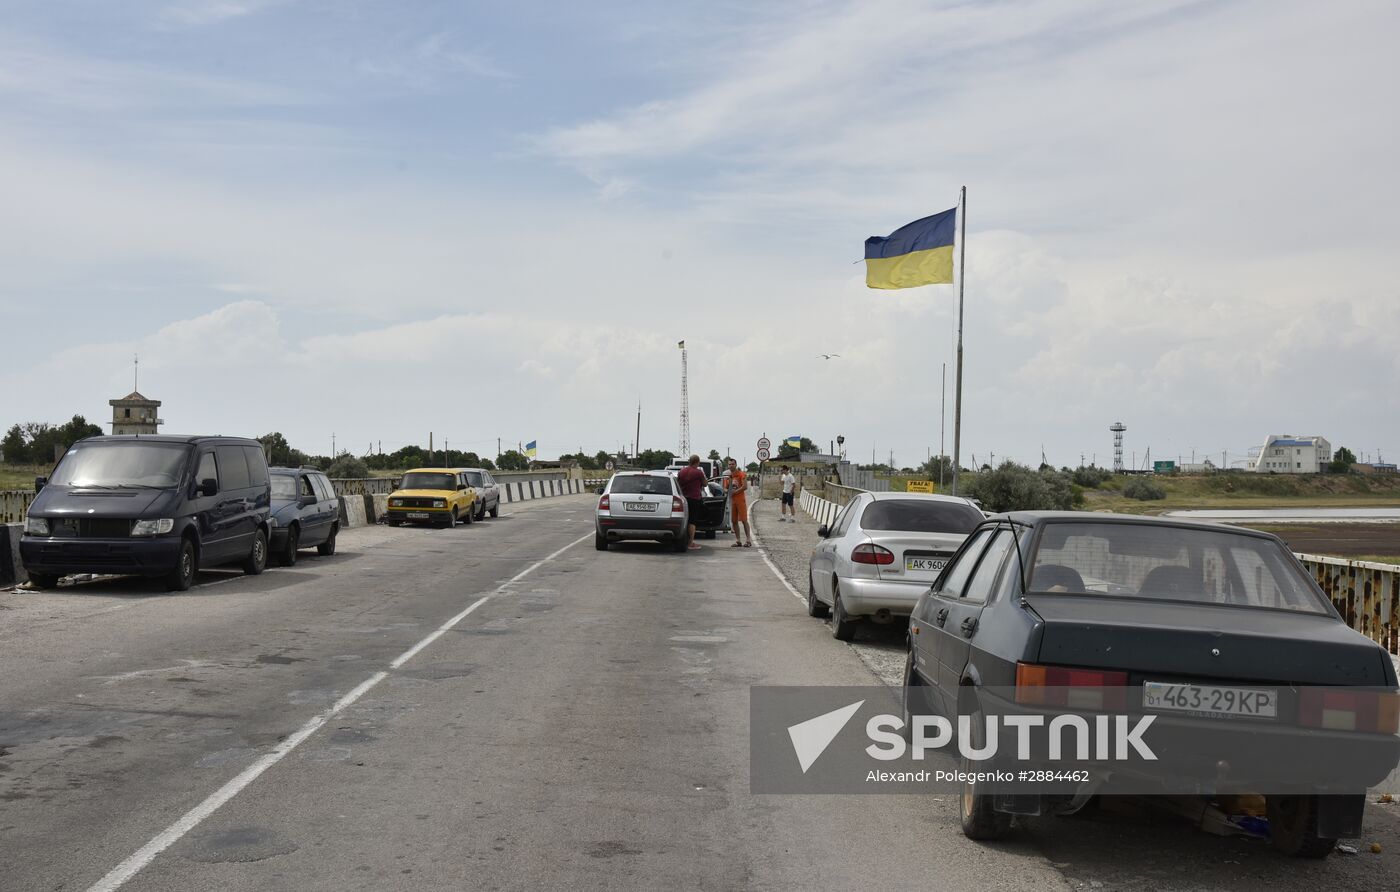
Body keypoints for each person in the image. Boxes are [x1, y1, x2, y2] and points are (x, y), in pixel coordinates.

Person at [676, 454, 708, 550]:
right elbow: (705, 484)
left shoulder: (682, 471)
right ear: (697, 462)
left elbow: (678, 482)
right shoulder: (698, 472)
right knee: (692, 521)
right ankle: (690, 543)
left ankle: (683, 539)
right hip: (694, 499)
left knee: (684, 519)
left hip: (683, 498)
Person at [724, 458, 752, 547]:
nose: (731, 466)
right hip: (732, 501)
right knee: (734, 521)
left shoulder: (741, 474)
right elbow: (725, 487)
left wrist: (734, 492)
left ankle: (748, 540)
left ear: (736, 465)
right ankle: (738, 540)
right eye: (729, 464)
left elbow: (744, 486)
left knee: (744, 520)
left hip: (740, 500)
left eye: (732, 464)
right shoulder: (728, 476)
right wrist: (726, 491)